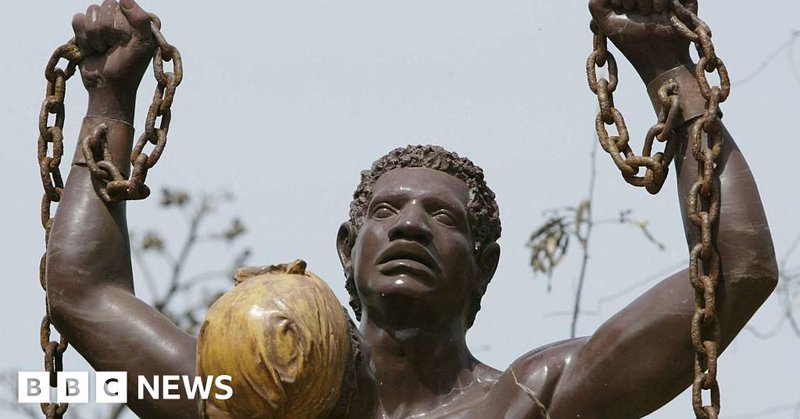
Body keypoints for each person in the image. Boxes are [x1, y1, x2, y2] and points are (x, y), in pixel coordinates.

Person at [46, 0, 778, 417]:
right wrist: (109, 99)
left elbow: (733, 271)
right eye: (387, 210)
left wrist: (670, 74)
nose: (409, 224)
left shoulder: (532, 400)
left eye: (444, 218)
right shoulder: (264, 390)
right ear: (346, 250)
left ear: (484, 268)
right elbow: (84, 293)